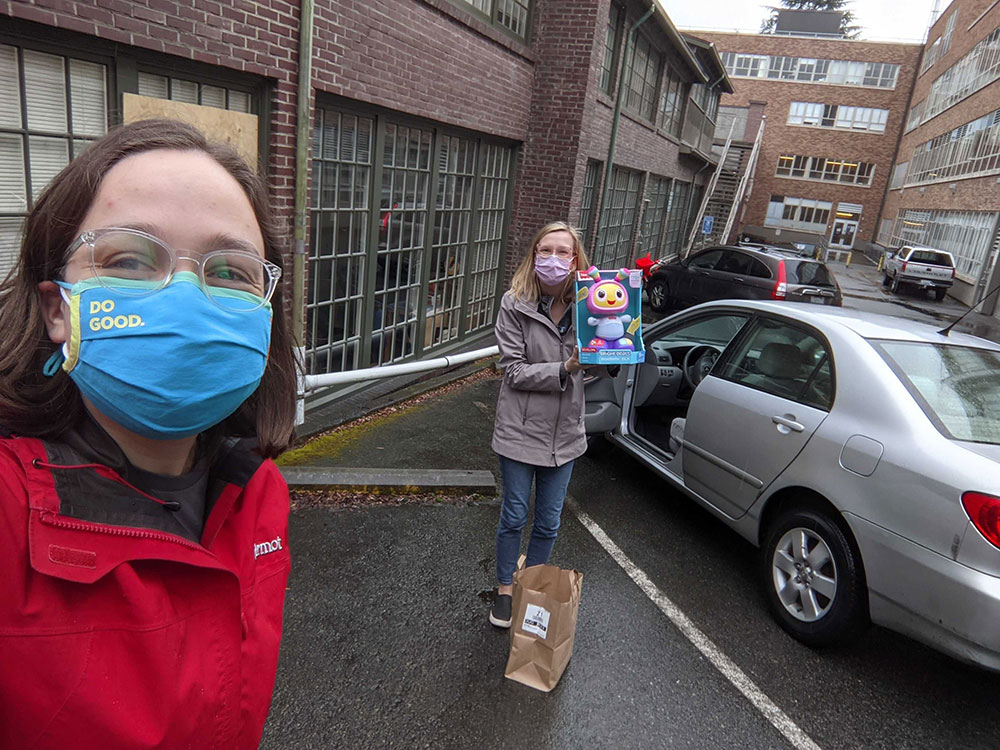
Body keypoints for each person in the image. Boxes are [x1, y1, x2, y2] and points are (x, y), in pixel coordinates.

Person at [0, 119, 297, 749]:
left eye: (230, 271)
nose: (187, 294)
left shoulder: (260, 495)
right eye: (130, 260)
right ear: (58, 308)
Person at [489, 221, 612, 628]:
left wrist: (609, 352)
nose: (554, 259)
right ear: (534, 255)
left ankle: (531, 583)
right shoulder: (515, 303)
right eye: (546, 251)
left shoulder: (591, 303)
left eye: (564, 252)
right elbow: (513, 371)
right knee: (514, 514)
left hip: (565, 434)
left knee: (549, 521)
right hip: (520, 430)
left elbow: (594, 368)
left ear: (577, 260)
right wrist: (567, 367)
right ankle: (506, 587)